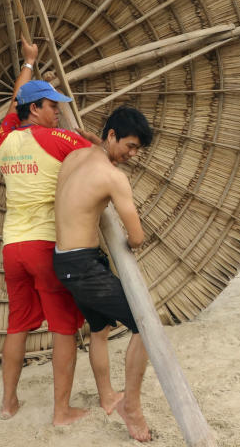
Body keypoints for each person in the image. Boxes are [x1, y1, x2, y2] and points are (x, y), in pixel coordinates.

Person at [0, 37, 99, 424]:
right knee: (62, 327)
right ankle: (61, 411)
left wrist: (28, 63)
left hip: (12, 247)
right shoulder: (59, 140)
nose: (57, 113)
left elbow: (13, 104)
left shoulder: (5, 140)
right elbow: (95, 151)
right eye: (52, 107)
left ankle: (8, 404)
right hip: (44, 245)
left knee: (17, 325)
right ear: (35, 108)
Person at [53, 106, 155, 442]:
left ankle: (108, 396)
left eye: (137, 149)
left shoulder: (75, 157)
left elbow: (96, 151)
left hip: (65, 261)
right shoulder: (114, 178)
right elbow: (137, 237)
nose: (132, 154)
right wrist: (131, 242)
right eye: (130, 146)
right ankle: (133, 408)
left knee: (100, 328)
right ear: (111, 136)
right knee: (145, 326)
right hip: (83, 266)